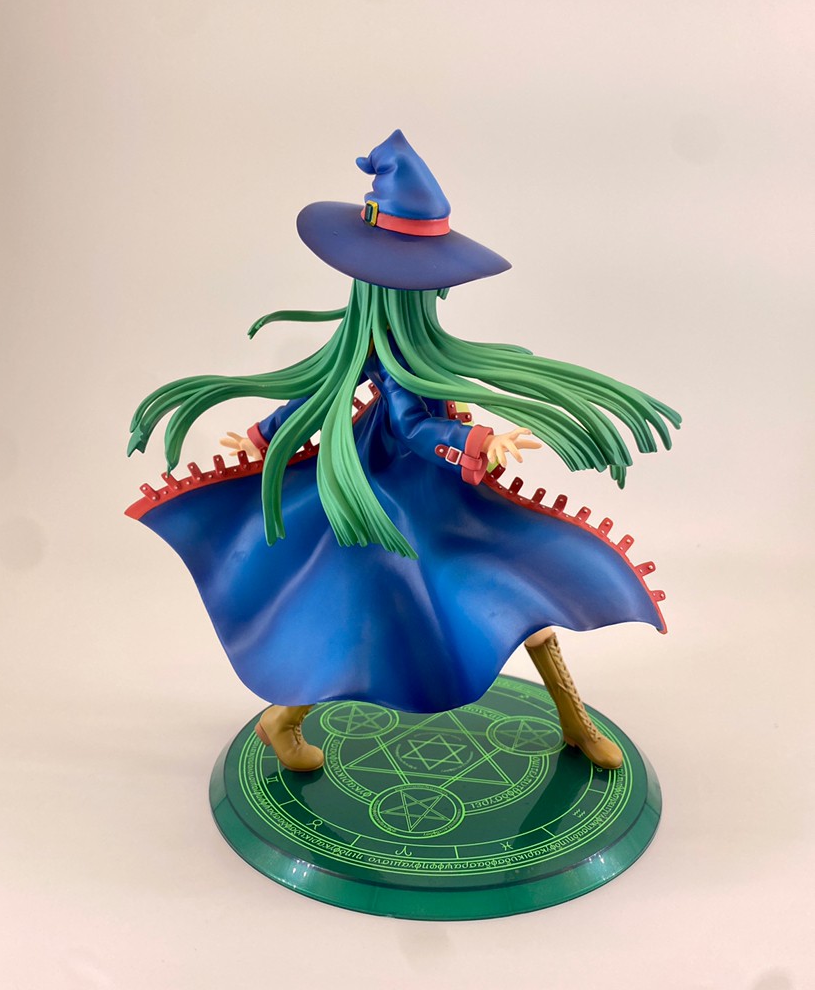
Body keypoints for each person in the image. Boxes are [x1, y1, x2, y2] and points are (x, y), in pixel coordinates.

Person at [127, 131, 680, 774]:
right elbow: (409, 425)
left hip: (445, 495)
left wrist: (265, 434)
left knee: (525, 592)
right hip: (399, 502)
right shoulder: (390, 356)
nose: (432, 290)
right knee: (392, 612)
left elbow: (327, 390)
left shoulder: (406, 346)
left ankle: (575, 724)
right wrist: (476, 440)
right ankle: (285, 718)